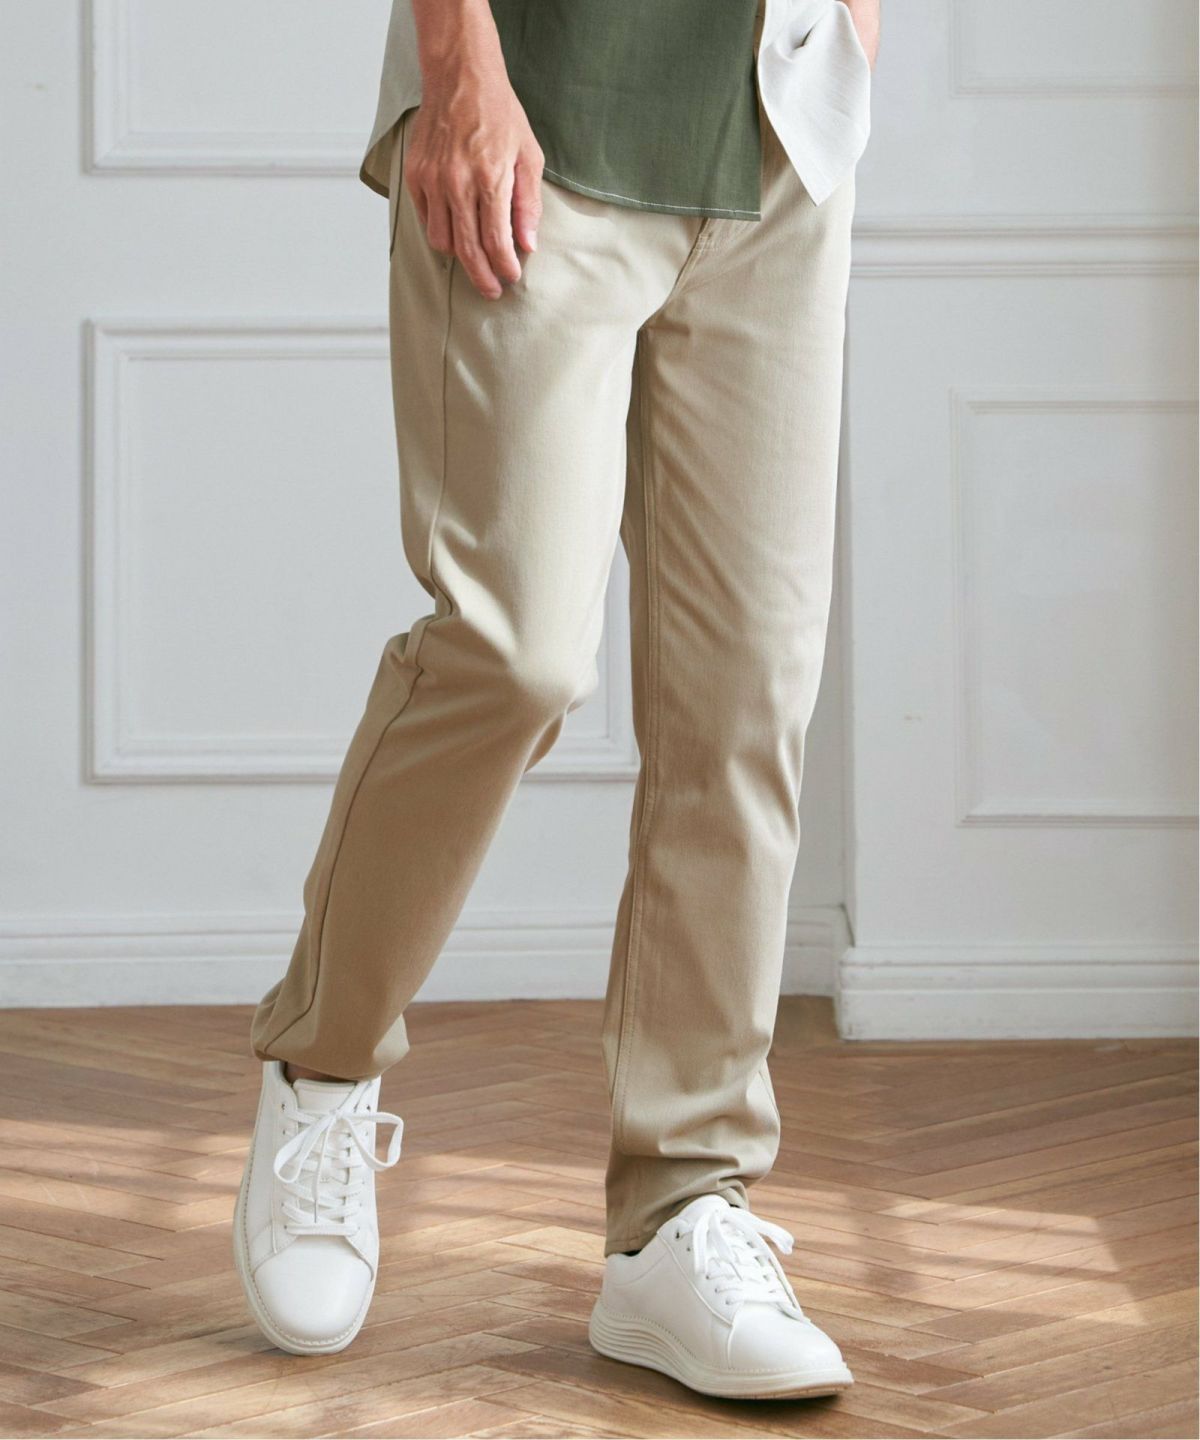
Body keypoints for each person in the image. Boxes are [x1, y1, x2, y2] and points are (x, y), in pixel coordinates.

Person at [233, 0, 878, 1401]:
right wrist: (458, 63)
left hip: (776, 131)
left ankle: (680, 1208)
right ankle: (323, 1071)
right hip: (536, 105)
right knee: (513, 651)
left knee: (747, 698)